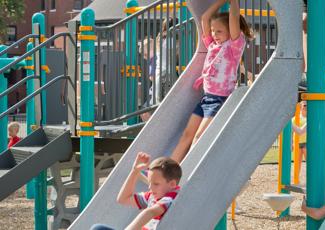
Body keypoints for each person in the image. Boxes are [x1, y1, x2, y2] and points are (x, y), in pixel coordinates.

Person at [170, 0, 252, 163]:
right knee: (187, 135)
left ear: (231, 32)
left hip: (219, 100)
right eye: (213, 31)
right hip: (206, 98)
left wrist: (233, 2)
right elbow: (205, 18)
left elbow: (234, 18)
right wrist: (221, 1)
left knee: (199, 137)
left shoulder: (233, 47)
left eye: (219, 31)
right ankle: (168, 169)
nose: (214, 34)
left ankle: (186, 173)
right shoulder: (212, 45)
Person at [91, 152, 182, 230]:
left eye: (156, 184)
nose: (150, 187)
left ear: (172, 184)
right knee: (98, 228)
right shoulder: (153, 196)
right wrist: (135, 171)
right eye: (149, 182)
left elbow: (149, 212)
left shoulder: (172, 197)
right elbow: (123, 199)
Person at [291, 101, 307, 182]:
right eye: (304, 105)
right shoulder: (295, 118)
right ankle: (296, 179)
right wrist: (291, 143)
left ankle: (310, 179)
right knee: (297, 163)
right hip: (297, 142)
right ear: (300, 106)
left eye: (307, 105)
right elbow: (291, 131)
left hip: (306, 143)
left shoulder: (309, 118)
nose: (306, 107)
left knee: (309, 161)